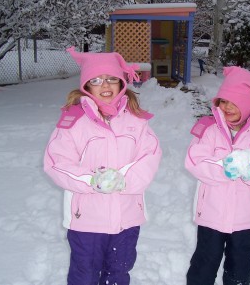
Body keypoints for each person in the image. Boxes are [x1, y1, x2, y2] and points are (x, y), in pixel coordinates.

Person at [44, 47, 162, 285]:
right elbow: (56, 163)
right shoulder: (74, 122)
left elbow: (150, 156)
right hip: (87, 219)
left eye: (111, 79)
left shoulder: (136, 121)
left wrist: (124, 180)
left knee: (119, 272)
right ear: (86, 86)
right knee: (84, 273)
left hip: (126, 217)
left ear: (121, 83)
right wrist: (92, 180)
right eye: (96, 80)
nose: (105, 85)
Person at [185, 66, 250, 285]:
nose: (227, 107)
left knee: (240, 269)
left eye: (234, 102)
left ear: (248, 103)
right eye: (223, 101)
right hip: (211, 216)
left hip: (245, 220)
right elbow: (194, 161)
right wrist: (226, 168)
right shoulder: (208, 130)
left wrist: (248, 170)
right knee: (203, 265)